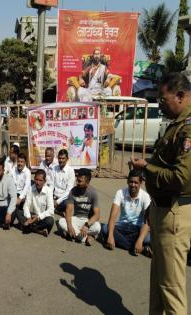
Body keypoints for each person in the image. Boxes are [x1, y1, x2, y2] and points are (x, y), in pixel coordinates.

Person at [129, 72, 191, 314]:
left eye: (162, 100)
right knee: (158, 285)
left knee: (171, 288)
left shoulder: (187, 129)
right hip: (162, 210)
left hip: (174, 213)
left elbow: (181, 178)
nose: (160, 105)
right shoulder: (177, 125)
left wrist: (148, 168)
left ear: (180, 95)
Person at [101, 170, 152, 256]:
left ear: (141, 183)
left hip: (137, 229)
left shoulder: (145, 197)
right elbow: (113, 216)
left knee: (150, 238)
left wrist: (140, 240)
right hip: (122, 226)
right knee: (105, 228)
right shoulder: (120, 193)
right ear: (127, 181)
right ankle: (140, 248)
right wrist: (110, 236)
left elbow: (147, 222)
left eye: (136, 182)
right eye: (131, 182)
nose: (133, 185)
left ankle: (129, 243)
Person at [57, 168, 101, 246]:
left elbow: (97, 215)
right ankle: (86, 237)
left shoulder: (93, 193)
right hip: (76, 219)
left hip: (88, 220)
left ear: (87, 182)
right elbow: (68, 211)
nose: (77, 182)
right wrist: (70, 226)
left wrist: (87, 225)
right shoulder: (73, 191)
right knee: (61, 221)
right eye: (77, 180)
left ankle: (75, 235)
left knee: (97, 227)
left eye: (80, 181)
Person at [15, 169, 54, 237]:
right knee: (18, 212)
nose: (37, 182)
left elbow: (51, 210)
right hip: (32, 215)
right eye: (36, 179)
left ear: (44, 181)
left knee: (50, 221)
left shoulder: (49, 191)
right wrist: (29, 218)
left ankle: (28, 227)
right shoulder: (31, 188)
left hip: (41, 217)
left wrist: (38, 217)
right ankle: (37, 230)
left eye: (40, 180)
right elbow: (26, 206)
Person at [49, 149, 76, 215]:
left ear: (67, 159)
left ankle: (54, 209)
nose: (61, 160)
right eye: (59, 158)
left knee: (69, 203)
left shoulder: (70, 171)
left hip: (64, 198)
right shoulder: (54, 168)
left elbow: (69, 190)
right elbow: (51, 185)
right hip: (54, 196)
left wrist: (57, 202)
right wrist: (49, 197)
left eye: (63, 158)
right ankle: (56, 209)